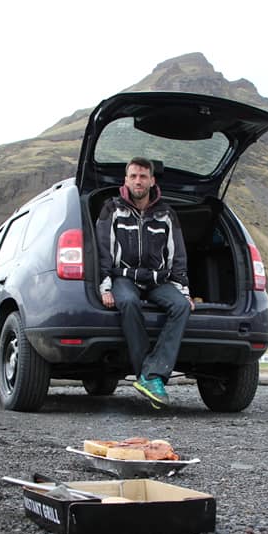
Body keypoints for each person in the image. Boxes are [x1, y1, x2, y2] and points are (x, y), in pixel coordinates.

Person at [95, 157, 194, 408]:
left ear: (152, 180)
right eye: (133, 176)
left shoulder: (166, 214)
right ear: (126, 180)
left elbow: (177, 255)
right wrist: (105, 286)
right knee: (128, 302)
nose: (138, 181)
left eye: (143, 176)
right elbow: (103, 251)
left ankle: (151, 374)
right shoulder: (112, 209)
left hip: (158, 280)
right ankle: (149, 377)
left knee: (181, 306)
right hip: (124, 277)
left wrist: (183, 291)